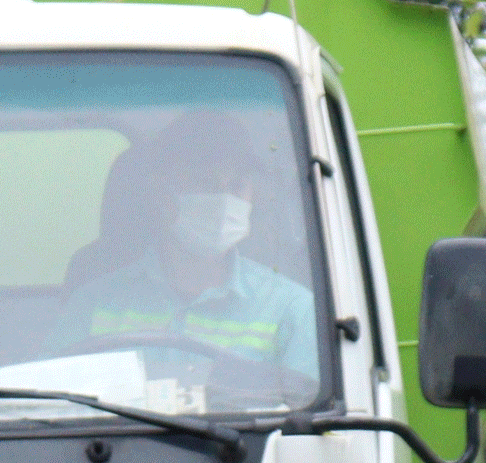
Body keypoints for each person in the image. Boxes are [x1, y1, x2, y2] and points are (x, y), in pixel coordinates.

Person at [49, 110, 318, 384]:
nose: (224, 200)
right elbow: (53, 402)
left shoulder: (291, 309)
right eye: (204, 183)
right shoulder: (92, 304)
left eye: (236, 185)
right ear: (159, 193)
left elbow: (305, 414)